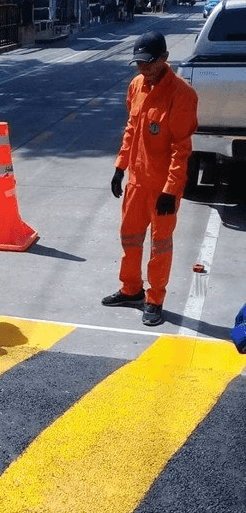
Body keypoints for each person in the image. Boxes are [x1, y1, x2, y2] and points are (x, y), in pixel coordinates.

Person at [102, 31, 198, 326]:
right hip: (136, 183)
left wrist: (171, 190)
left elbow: (181, 149)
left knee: (160, 245)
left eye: (148, 63)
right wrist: (121, 167)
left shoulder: (181, 95)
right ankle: (131, 289)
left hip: (162, 190)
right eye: (139, 63)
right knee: (129, 238)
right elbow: (131, 129)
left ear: (164, 59)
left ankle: (155, 299)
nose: (142, 69)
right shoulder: (136, 86)